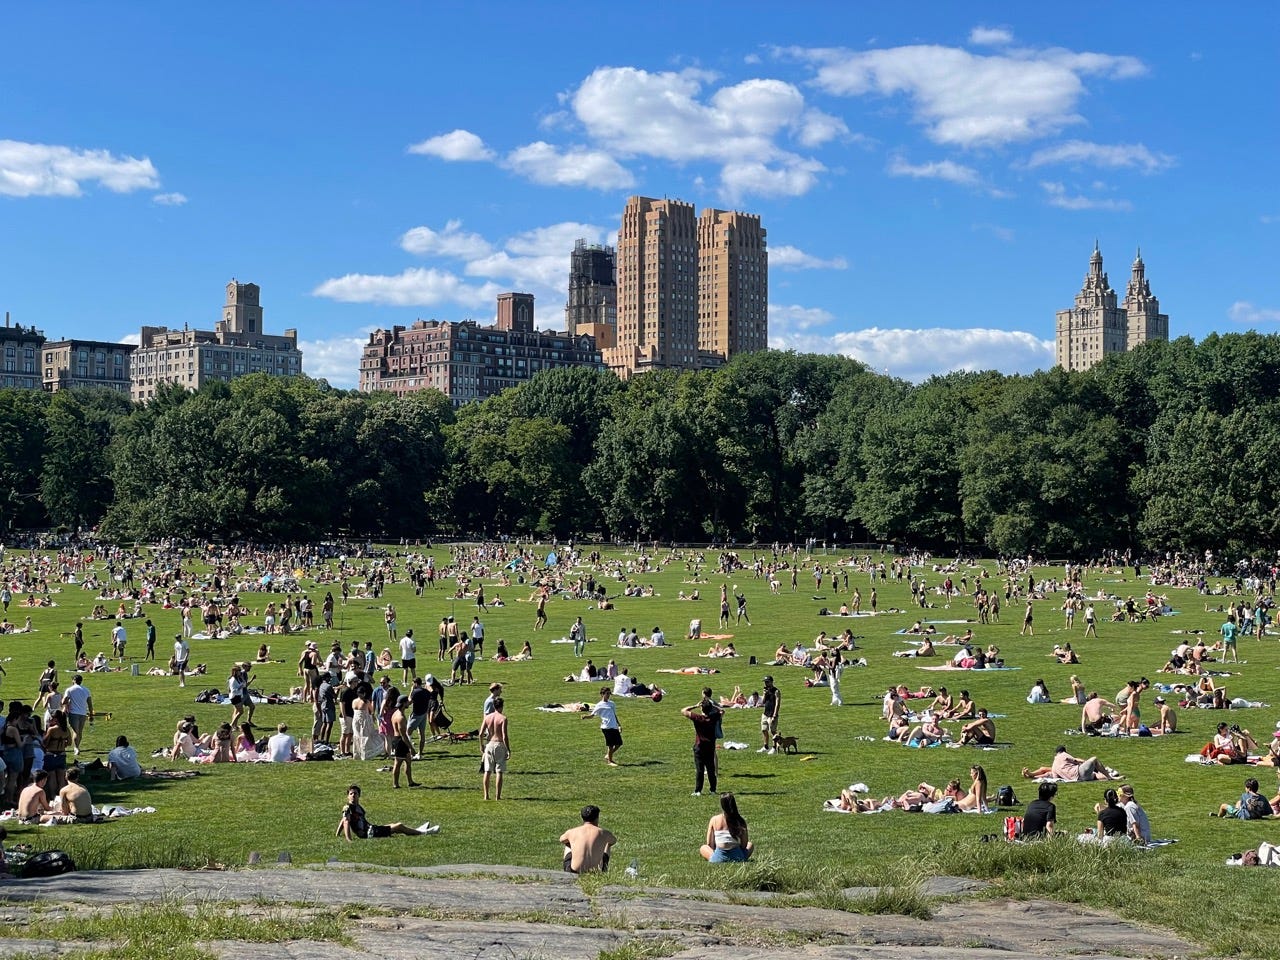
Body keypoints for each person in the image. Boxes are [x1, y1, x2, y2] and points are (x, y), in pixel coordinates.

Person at [336, 784, 436, 840]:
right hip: (369, 833)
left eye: (355, 793)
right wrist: (349, 840)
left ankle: (417, 830)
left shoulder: (357, 807)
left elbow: (343, 819)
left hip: (372, 829)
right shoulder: (347, 807)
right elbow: (346, 822)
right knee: (399, 826)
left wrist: (337, 834)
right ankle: (423, 833)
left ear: (359, 796)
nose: (353, 795)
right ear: (348, 796)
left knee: (394, 826)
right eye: (351, 793)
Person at [560, 804, 616, 874]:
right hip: (596, 872)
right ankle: (603, 868)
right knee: (608, 844)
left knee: (567, 843)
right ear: (597, 818)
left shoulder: (572, 832)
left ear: (582, 818)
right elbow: (613, 841)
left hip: (574, 871)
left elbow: (562, 839)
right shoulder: (603, 833)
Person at [699, 792, 754, 862]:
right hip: (738, 857)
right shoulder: (740, 820)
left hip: (718, 858)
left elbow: (710, 844)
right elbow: (744, 845)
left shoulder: (714, 819)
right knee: (750, 845)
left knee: (703, 848)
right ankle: (739, 857)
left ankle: (716, 858)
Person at [681, 697, 719, 796]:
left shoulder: (698, 718)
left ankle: (698, 790)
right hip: (710, 746)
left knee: (700, 770)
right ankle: (713, 790)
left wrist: (695, 706)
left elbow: (684, 711)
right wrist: (712, 706)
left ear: (701, 709)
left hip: (699, 747)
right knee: (711, 769)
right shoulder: (714, 717)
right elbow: (722, 711)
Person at [1023, 745, 1114, 782]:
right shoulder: (1063, 755)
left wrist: (1034, 777)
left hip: (1075, 778)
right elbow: (1076, 760)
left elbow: (1052, 776)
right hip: (1079, 772)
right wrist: (1086, 762)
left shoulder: (1055, 765)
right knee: (1094, 759)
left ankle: (1030, 775)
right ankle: (1109, 777)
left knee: (1094, 775)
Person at [480, 696, 510, 801]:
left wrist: (481, 745)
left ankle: (486, 795)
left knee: (487, 771)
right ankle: (497, 796)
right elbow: (504, 736)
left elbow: (480, 733)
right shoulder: (503, 718)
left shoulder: (487, 718)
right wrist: (508, 749)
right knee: (499, 771)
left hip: (489, 744)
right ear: (501, 706)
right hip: (499, 744)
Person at [585, 687, 622, 766]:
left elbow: (614, 715)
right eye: (607, 693)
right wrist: (585, 717)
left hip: (614, 726)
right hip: (606, 727)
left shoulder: (612, 703)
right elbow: (592, 715)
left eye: (609, 693)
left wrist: (619, 725)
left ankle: (608, 756)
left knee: (619, 743)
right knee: (611, 745)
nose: (608, 695)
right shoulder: (599, 705)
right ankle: (610, 761)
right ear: (602, 694)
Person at [63, 674, 93, 755]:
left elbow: (63, 701)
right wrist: (91, 714)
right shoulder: (86, 690)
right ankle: (77, 746)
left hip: (73, 713)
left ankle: (76, 748)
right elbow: (90, 704)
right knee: (80, 731)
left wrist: (67, 702)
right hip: (83, 713)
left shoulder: (69, 689)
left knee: (75, 731)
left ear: (73, 680)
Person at [757, 675, 780, 754]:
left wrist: (774, 715)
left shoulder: (776, 691)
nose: (766, 684)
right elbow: (763, 702)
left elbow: (777, 704)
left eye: (767, 682)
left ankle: (774, 747)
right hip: (765, 713)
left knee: (773, 731)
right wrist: (765, 694)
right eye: (765, 682)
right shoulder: (765, 690)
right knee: (764, 730)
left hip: (772, 714)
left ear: (771, 682)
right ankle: (765, 746)